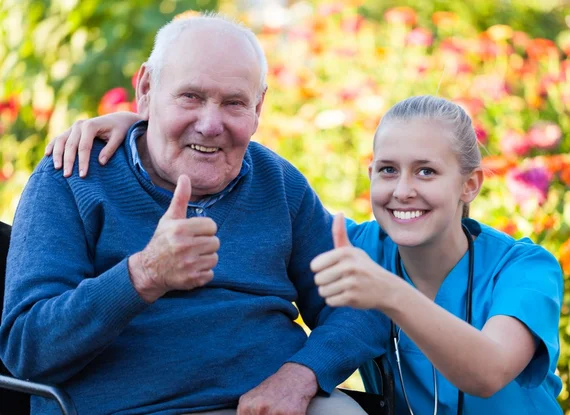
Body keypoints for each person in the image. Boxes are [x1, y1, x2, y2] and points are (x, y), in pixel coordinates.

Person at [0, 13, 389, 415]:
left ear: (258, 107)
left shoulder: (278, 183)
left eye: (234, 103)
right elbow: (27, 349)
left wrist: (301, 374)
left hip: (271, 405)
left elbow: (360, 304)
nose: (209, 124)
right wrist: (144, 275)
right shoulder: (72, 178)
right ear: (147, 90)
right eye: (191, 96)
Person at [311, 96, 564, 414]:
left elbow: (489, 373)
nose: (402, 191)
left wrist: (389, 293)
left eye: (426, 172)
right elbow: (284, 207)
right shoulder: (357, 248)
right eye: (388, 170)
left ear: (469, 184)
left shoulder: (524, 269)